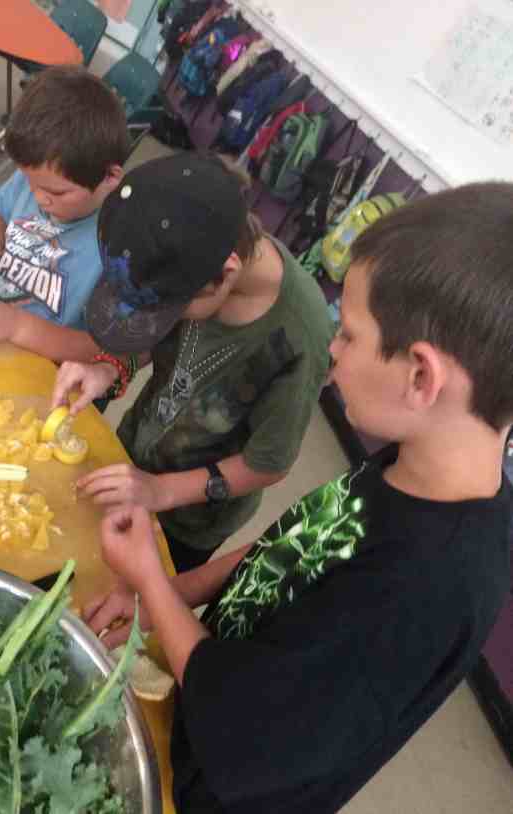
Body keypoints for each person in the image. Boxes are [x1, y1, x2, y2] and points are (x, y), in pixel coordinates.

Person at [83, 182, 513, 813]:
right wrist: (168, 594)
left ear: (420, 376)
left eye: (351, 334)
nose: (332, 351)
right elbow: (290, 550)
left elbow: (238, 724)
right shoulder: (417, 460)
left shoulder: (422, 589)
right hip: (197, 696)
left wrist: (149, 575)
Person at [50, 152, 334, 571]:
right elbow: (152, 337)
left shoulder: (300, 335)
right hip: (131, 458)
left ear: (225, 274)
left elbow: (267, 463)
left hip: (188, 521)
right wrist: (108, 367)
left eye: (170, 310)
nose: (164, 320)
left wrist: (160, 492)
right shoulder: (182, 248)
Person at [0, 66, 129, 363]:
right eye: (29, 181)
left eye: (56, 193)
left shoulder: (121, 244)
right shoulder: (41, 177)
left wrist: (14, 325)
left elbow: (99, 349)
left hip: (33, 371)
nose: (38, 197)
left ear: (110, 177)